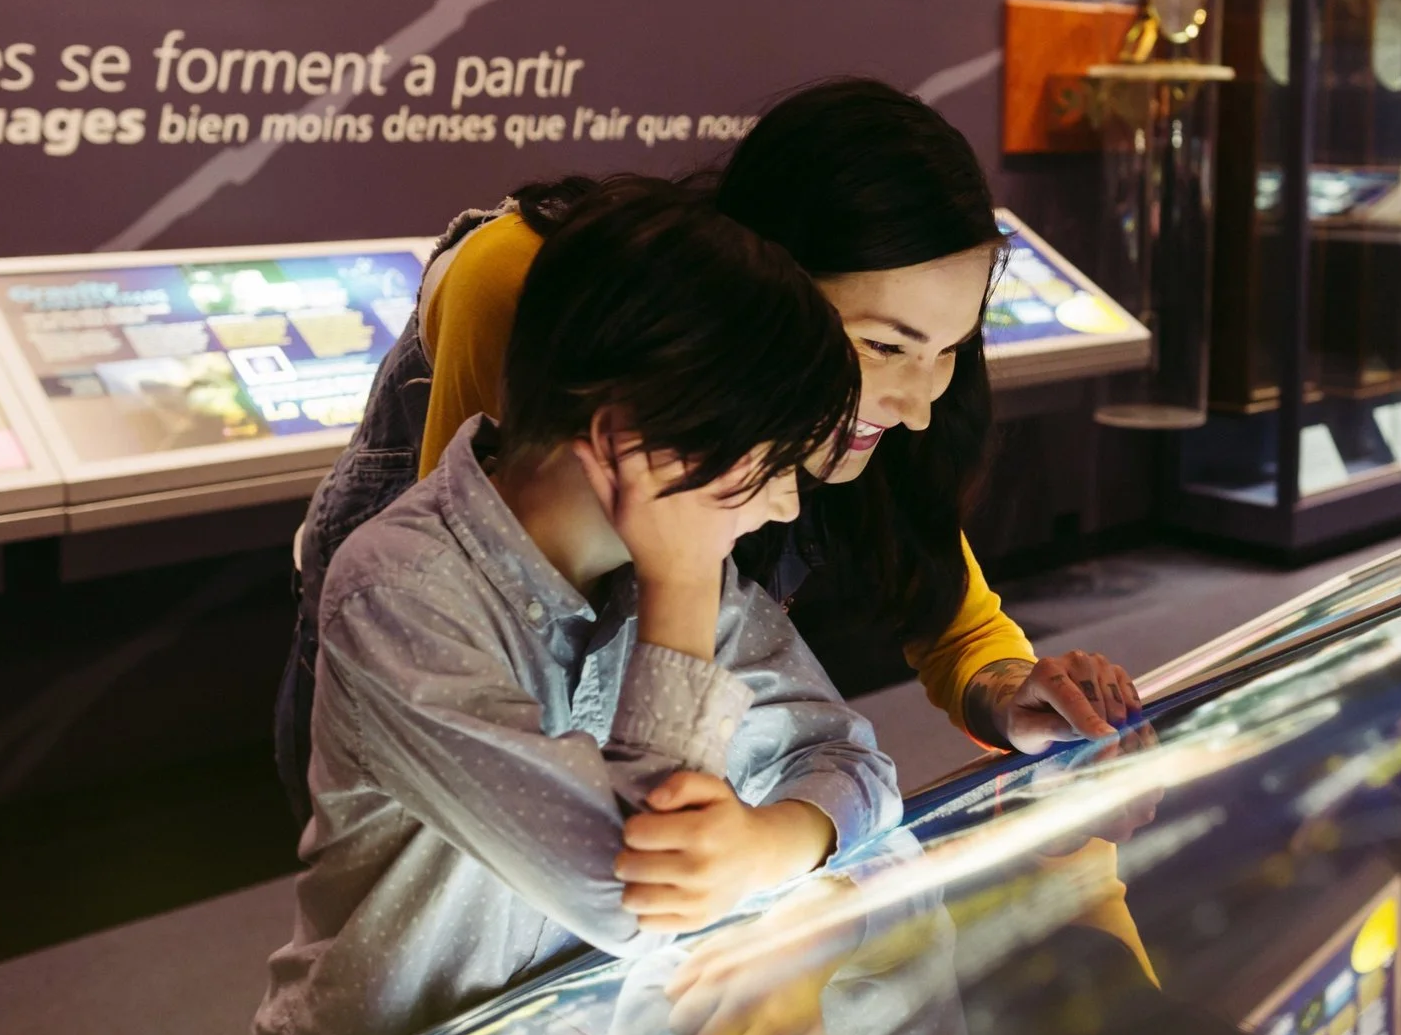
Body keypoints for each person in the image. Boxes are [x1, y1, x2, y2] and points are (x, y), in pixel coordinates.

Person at [273, 80, 1139, 824]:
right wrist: (687, 587)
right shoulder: (522, 286)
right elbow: (492, 632)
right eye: (882, 346)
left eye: (950, 348)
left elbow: (932, 594)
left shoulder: (887, 406)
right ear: (766, 285)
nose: (918, 408)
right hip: (456, 649)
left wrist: (1007, 689)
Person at [252, 179, 901, 1035]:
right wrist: (682, 583)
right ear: (630, 441)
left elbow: (853, 761)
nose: (787, 502)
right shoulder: (399, 592)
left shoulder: (678, 571)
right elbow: (633, 898)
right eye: (769, 459)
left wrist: (771, 839)